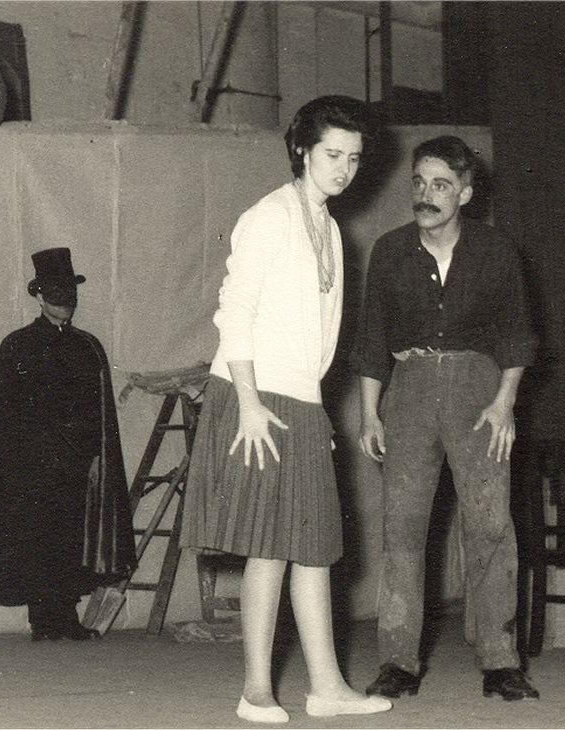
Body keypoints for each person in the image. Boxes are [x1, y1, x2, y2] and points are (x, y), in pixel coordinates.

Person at [180, 96, 392, 723]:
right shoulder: (269, 216)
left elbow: (314, 338)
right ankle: (255, 691)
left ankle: (327, 688)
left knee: (315, 546)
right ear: (302, 150)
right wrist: (247, 404)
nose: (344, 168)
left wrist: (315, 412)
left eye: (354, 158)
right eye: (333, 154)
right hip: (256, 396)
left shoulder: (328, 226)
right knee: (270, 547)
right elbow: (234, 313)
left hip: (300, 400)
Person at [352, 136, 540, 701]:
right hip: (408, 391)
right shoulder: (390, 251)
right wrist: (369, 413)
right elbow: (372, 339)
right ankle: (397, 661)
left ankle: (500, 661)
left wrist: (504, 402)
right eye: (419, 183)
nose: (426, 195)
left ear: (465, 192)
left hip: (478, 393)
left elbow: (517, 333)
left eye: (440, 185)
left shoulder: (496, 250)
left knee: (489, 525)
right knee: (402, 528)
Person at [0, 247, 137, 641]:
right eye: (56, 294)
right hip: (33, 465)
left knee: (72, 536)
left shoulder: (87, 347)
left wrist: (95, 457)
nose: (65, 302)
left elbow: (99, 414)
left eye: (70, 293)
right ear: (39, 296)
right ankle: (43, 620)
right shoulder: (17, 346)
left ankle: (65, 618)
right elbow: (7, 414)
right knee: (37, 537)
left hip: (77, 463)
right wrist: (26, 460)